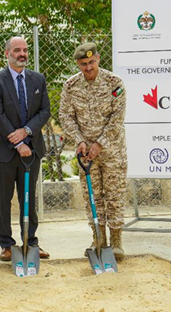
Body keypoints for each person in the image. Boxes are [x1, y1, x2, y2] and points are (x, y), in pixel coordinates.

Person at [59, 42, 128, 260]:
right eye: (83, 64)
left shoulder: (114, 83)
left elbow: (117, 119)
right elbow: (66, 116)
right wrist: (79, 141)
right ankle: (99, 238)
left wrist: (100, 143)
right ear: (78, 64)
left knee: (114, 196)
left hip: (112, 152)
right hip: (86, 155)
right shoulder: (71, 86)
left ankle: (116, 242)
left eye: (91, 62)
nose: (88, 67)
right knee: (93, 196)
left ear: (98, 59)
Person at [0, 37, 51, 261]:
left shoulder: (38, 79)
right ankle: (6, 245)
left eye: (24, 50)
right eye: (17, 50)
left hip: (31, 151)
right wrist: (18, 142)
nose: (22, 53)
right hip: (3, 152)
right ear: (7, 54)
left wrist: (26, 132)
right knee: (4, 200)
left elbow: (44, 111)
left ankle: (31, 242)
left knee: (28, 199)